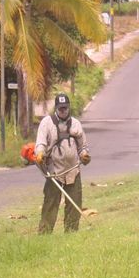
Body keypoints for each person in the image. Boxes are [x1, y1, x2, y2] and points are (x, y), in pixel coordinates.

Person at [34, 94, 90, 234]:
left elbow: (82, 147)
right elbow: (40, 143)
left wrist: (84, 155)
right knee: (50, 204)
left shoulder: (76, 124)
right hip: (54, 172)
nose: (63, 111)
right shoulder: (47, 123)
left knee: (74, 204)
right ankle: (45, 234)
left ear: (69, 107)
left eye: (65, 108)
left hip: (73, 171)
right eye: (60, 108)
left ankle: (71, 234)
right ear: (56, 108)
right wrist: (40, 154)